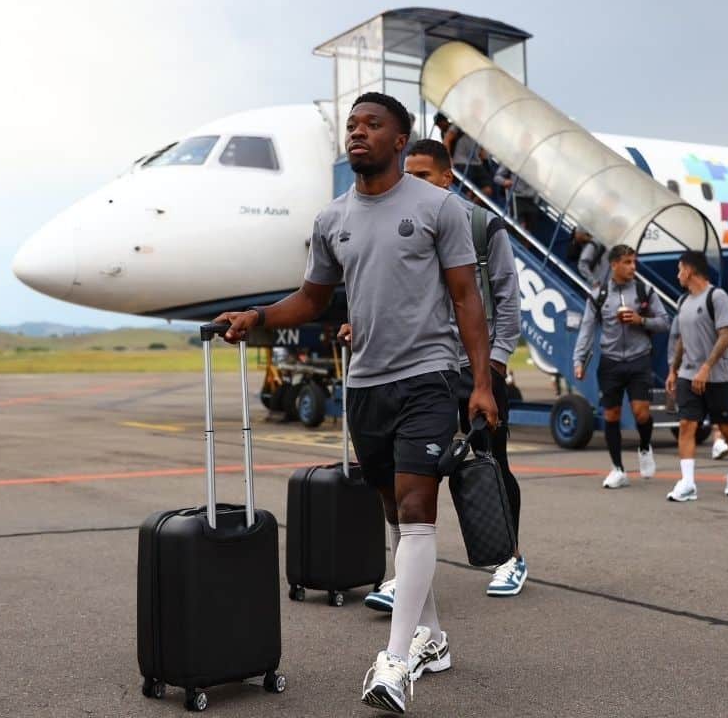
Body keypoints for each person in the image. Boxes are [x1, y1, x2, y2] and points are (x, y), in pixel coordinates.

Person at [215, 92, 498, 715]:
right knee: (396, 511)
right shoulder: (331, 220)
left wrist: (480, 382)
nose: (358, 133)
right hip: (366, 384)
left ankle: (395, 664)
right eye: (352, 125)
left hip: (428, 376)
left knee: (418, 503)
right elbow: (312, 300)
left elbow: (466, 298)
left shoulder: (439, 208)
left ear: (402, 141)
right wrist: (258, 315)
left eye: (373, 125)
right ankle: (434, 638)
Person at [350, 138, 528, 603]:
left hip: (475, 366)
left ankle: (509, 556)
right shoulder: (405, 222)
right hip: (425, 366)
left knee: (489, 464)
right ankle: (406, 576)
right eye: (409, 174)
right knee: (410, 474)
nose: (413, 182)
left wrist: (493, 364)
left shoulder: (482, 224)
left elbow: (507, 300)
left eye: (424, 175)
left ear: (447, 177)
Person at [573, 245, 669, 488]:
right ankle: (617, 469)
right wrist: (579, 360)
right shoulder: (599, 295)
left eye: (634, 262)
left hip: (639, 359)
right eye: (627, 262)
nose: (632, 267)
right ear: (614, 264)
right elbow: (586, 328)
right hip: (610, 362)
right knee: (611, 415)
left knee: (641, 413)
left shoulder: (644, 290)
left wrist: (640, 320)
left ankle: (645, 447)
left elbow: (664, 322)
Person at [665, 251, 728, 501]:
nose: (678, 274)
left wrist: (706, 367)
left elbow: (726, 335)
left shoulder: (717, 296)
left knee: (726, 426)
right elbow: (681, 340)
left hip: (718, 376)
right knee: (686, 425)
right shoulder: (683, 301)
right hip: (688, 375)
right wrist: (673, 369)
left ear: (690, 270)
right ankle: (688, 482)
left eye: (680, 268)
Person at [442, 117, 492, 199]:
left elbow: (482, 149)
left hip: (477, 163)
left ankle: (471, 207)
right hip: (461, 162)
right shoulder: (460, 123)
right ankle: (468, 208)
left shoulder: (481, 126)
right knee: (467, 192)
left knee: (487, 190)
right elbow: (447, 139)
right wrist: (449, 159)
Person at [494, 165, 541, 233]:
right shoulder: (513, 161)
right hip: (515, 196)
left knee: (530, 229)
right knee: (521, 226)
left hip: (530, 201)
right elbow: (496, 178)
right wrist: (504, 181)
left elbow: (536, 188)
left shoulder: (535, 165)